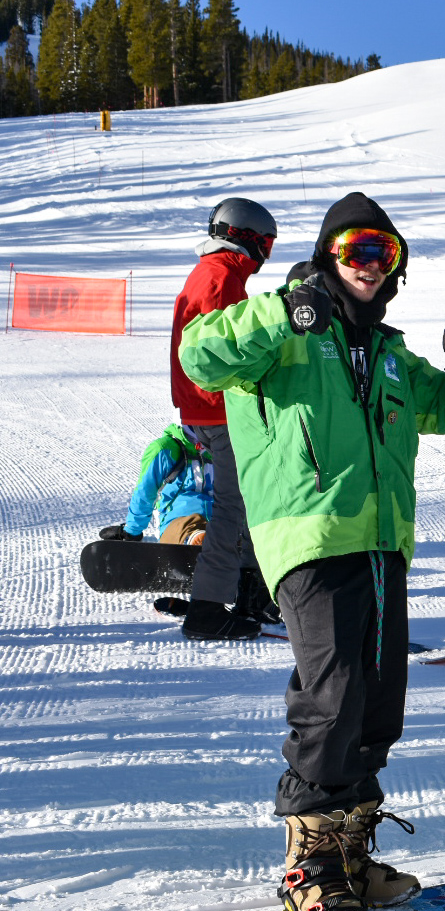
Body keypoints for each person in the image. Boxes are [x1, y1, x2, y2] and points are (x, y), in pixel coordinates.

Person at [180, 192, 445, 911]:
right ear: (329, 255)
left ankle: (351, 854)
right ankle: (311, 867)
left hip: (383, 540)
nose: (368, 265)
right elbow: (200, 353)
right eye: (356, 249)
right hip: (308, 536)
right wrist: (279, 311)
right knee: (335, 692)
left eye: (382, 254)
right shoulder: (282, 335)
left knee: (379, 700)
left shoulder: (388, 353)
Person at [172, 198, 280, 641]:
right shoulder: (220, 279)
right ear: (245, 237)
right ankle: (208, 610)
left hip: (206, 409)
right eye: (265, 244)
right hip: (218, 410)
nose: (264, 257)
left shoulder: (215, 273)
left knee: (252, 499)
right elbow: (228, 351)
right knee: (234, 507)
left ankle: (253, 592)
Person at [98, 424, 214, 546]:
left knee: (224, 528)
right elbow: (146, 492)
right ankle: (193, 543)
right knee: (185, 528)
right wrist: (132, 531)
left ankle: (221, 543)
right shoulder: (165, 449)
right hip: (178, 521)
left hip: (218, 520)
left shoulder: (221, 451)